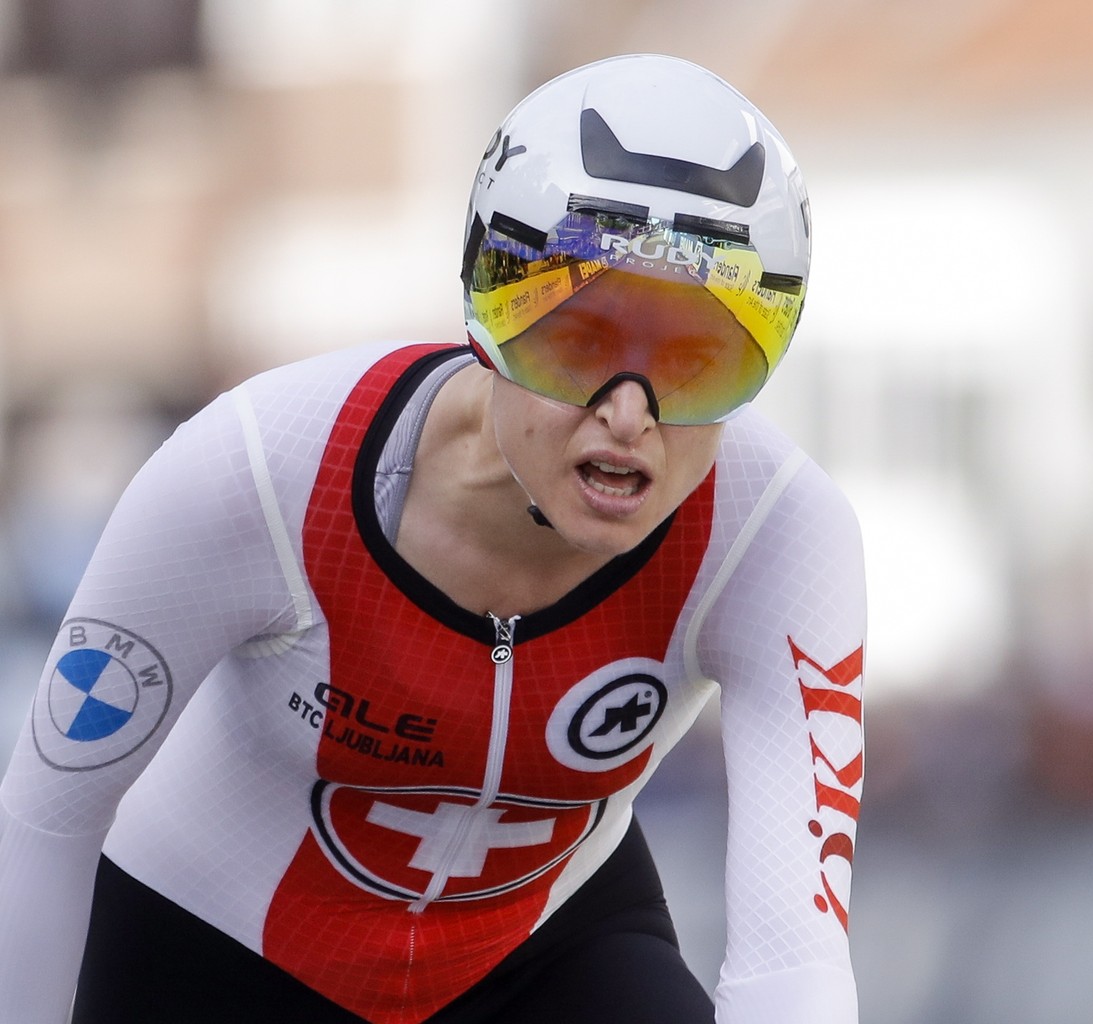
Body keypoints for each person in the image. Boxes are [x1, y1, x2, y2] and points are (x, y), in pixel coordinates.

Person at [0, 53, 866, 1024]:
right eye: (579, 343)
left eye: (698, 362)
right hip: (214, 943)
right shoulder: (258, 468)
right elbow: (43, 819)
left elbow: (795, 960)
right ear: (486, 314)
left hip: (539, 952)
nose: (631, 413)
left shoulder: (777, 532)